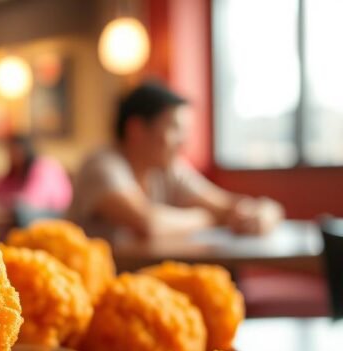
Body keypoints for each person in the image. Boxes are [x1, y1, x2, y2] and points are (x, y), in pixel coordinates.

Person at [68, 81, 283, 240]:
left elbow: (227, 206)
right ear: (136, 129)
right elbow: (148, 223)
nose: (183, 141)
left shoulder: (167, 168)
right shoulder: (101, 166)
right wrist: (208, 218)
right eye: (174, 128)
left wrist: (266, 211)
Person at [0, 134, 72, 218]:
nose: (11, 156)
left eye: (14, 151)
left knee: (22, 210)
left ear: (25, 150)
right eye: (9, 152)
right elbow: (1, 190)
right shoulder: (18, 169)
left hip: (54, 210)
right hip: (34, 207)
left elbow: (33, 198)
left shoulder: (41, 166)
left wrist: (9, 199)